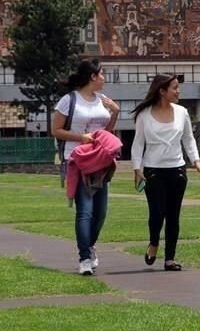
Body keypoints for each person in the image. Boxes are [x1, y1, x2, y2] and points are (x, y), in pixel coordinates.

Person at [51, 59, 120, 276]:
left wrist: (115, 113)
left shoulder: (102, 101)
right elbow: (56, 130)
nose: (104, 78)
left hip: (101, 161)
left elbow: (106, 132)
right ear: (92, 76)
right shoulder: (69, 100)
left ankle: (89, 245)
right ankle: (84, 259)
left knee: (100, 213)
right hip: (78, 160)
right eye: (102, 74)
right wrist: (81, 137)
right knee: (85, 211)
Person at [131, 74, 200, 271]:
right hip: (153, 170)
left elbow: (189, 139)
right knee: (157, 214)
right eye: (174, 87)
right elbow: (138, 143)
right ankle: (154, 242)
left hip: (177, 170)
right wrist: (137, 169)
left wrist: (196, 161)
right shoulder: (144, 114)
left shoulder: (182, 112)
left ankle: (170, 259)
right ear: (162, 91)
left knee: (173, 215)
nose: (178, 91)